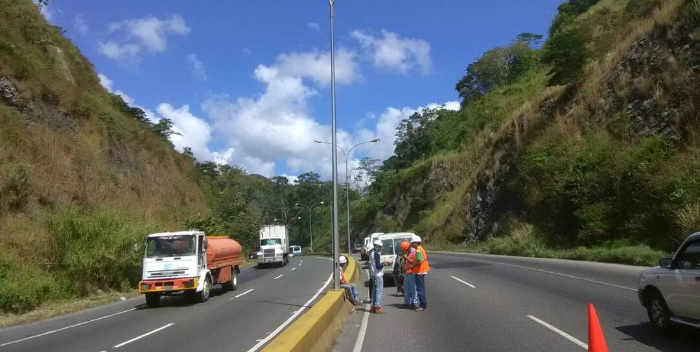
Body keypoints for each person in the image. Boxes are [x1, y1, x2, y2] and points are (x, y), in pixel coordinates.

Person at [369, 240, 389, 314]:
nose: (380, 249)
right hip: (378, 275)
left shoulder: (371, 253)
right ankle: (378, 307)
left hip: (373, 275)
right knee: (379, 291)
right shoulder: (377, 254)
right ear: (377, 246)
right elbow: (378, 266)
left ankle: (373, 306)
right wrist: (384, 263)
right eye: (380, 247)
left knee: (374, 291)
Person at [411, 235, 430, 311]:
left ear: (416, 243)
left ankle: (423, 305)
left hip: (420, 271)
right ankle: (423, 304)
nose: (412, 245)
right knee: (421, 288)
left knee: (420, 289)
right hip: (422, 270)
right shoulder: (420, 249)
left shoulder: (418, 250)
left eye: (412, 243)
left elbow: (419, 260)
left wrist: (413, 266)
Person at [401, 241, 418, 308]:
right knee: (406, 287)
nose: (405, 251)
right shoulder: (407, 252)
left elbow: (415, 262)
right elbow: (406, 262)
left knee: (413, 288)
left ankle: (414, 302)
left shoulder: (414, 252)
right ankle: (407, 302)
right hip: (407, 271)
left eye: (405, 249)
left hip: (412, 272)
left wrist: (407, 258)